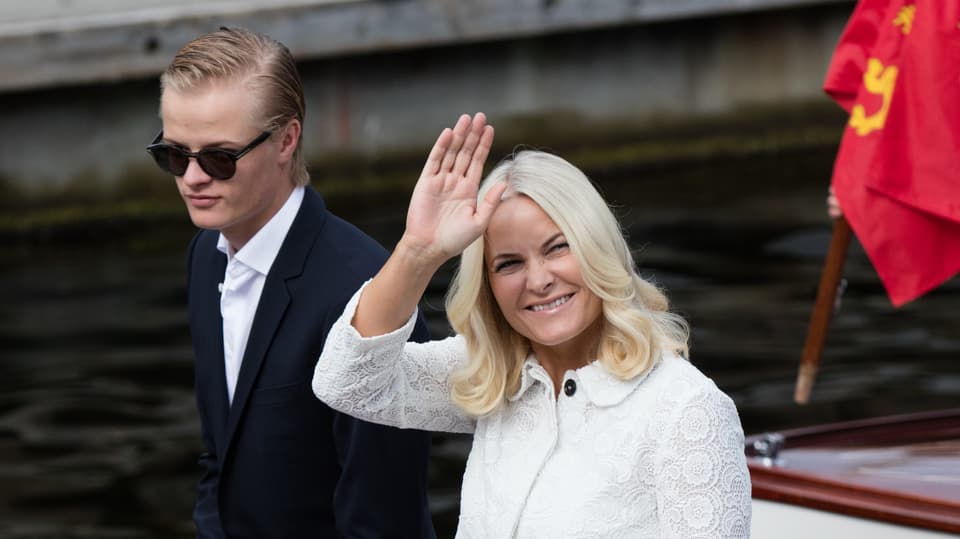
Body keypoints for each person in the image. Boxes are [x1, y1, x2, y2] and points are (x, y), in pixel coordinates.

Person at [313, 113, 752, 537]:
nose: (539, 281)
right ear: (488, 286)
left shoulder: (687, 409)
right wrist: (419, 251)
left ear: (597, 248)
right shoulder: (491, 374)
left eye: (557, 248)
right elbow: (347, 383)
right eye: (509, 264)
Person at [146, 27, 435, 539]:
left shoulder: (368, 292)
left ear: (287, 140)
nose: (192, 178)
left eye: (219, 158)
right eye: (174, 154)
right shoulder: (207, 256)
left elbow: (385, 519)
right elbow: (219, 456)